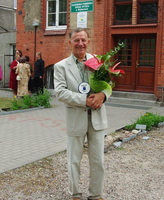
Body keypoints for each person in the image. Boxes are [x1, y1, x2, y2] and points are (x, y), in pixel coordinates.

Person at [54, 28, 109, 200]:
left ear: (88, 41)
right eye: (76, 40)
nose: (80, 43)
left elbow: (109, 85)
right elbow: (60, 93)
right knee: (74, 161)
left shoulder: (98, 61)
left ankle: (96, 194)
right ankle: (75, 193)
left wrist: (103, 95)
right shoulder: (61, 66)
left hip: (97, 119)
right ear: (70, 42)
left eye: (83, 40)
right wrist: (84, 100)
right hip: (76, 118)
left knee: (98, 161)